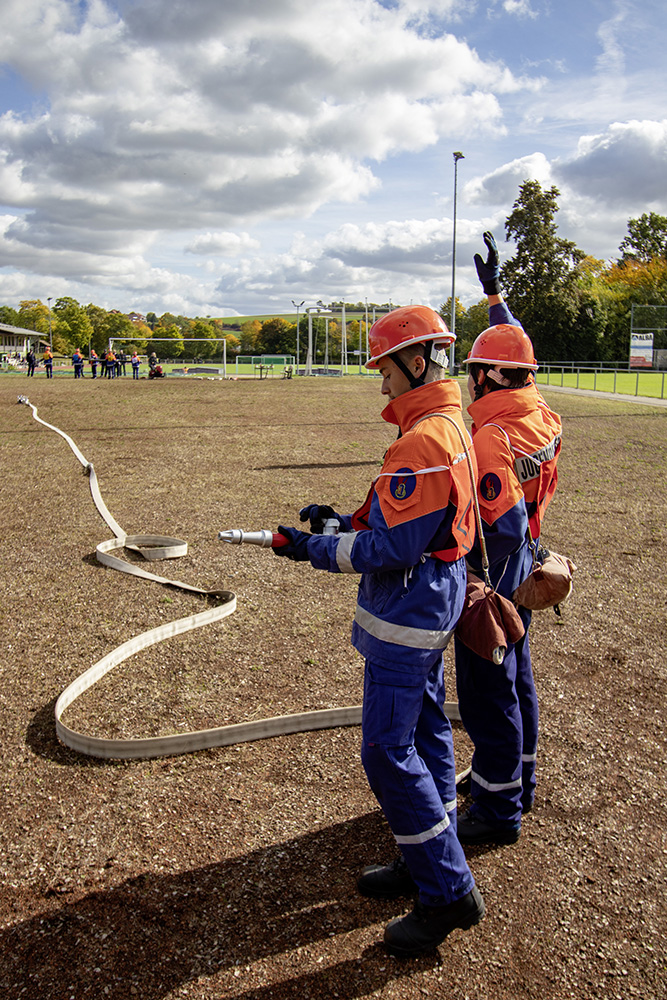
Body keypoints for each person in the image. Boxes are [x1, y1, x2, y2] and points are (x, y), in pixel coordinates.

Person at [273, 306, 484, 957]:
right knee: (424, 737)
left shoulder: (421, 439)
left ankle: (447, 893)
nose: (380, 384)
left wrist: (309, 548)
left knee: (387, 751)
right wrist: (337, 521)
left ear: (414, 362)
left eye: (384, 370)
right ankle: (424, 857)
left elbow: (388, 549)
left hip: (408, 615)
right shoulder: (448, 424)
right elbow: (401, 523)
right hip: (429, 604)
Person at [454, 232, 563, 846]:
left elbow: (500, 529)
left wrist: (484, 600)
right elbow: (517, 345)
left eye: (475, 373)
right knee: (519, 680)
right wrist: (495, 297)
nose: (471, 383)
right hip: (530, 564)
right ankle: (519, 780)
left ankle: (497, 812)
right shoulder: (537, 406)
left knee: (490, 691)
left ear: (493, 376)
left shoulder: (493, 436)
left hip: (500, 575)